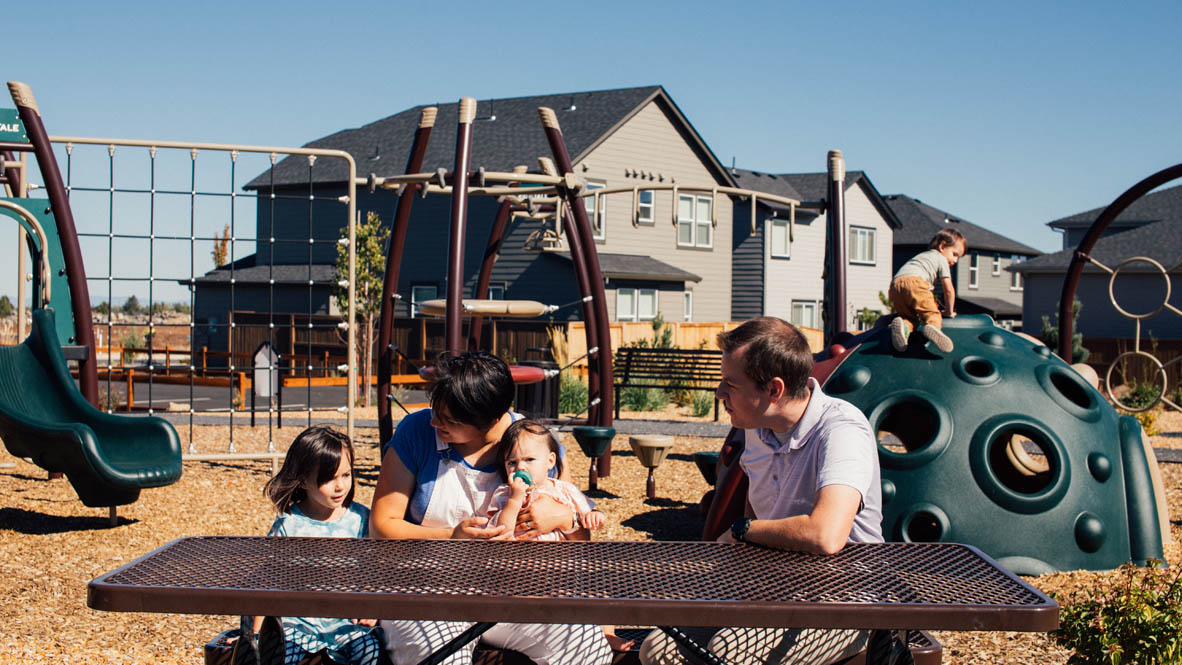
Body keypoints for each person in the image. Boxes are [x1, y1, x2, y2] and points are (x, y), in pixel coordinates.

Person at [639, 317, 883, 665]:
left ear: (774, 390)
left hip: (844, 600)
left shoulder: (841, 430)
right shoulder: (759, 426)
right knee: (659, 650)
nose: (719, 394)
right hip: (776, 585)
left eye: (730, 385)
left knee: (724, 654)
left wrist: (742, 532)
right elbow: (760, 509)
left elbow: (826, 535)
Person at [369, 351, 612, 665]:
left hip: (520, 590)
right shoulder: (417, 432)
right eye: (435, 411)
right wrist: (450, 537)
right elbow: (382, 525)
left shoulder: (534, 444)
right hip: (427, 588)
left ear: (493, 421)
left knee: (585, 648)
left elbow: (574, 529)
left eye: (449, 421)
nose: (434, 422)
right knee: (440, 654)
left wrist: (566, 517)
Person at [245, 425, 381, 665]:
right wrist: (255, 634)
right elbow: (267, 580)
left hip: (345, 623)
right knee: (280, 656)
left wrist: (372, 608)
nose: (340, 486)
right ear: (303, 480)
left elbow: (373, 570)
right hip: (297, 622)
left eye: (346, 475)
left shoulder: (361, 520)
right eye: (328, 478)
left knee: (370, 651)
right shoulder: (290, 525)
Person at [488, 418, 605, 540]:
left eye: (529, 459)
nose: (520, 467)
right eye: (512, 462)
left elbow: (585, 517)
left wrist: (595, 516)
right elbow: (500, 533)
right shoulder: (504, 493)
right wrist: (514, 500)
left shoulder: (565, 490)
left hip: (558, 557)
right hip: (518, 557)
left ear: (550, 461)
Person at [888, 228, 966, 353]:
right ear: (942, 246)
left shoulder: (922, 256)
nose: (955, 260)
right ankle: (933, 328)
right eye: (955, 254)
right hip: (916, 283)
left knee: (911, 319)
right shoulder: (941, 259)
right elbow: (949, 290)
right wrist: (949, 311)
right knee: (933, 315)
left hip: (894, 286)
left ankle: (903, 327)